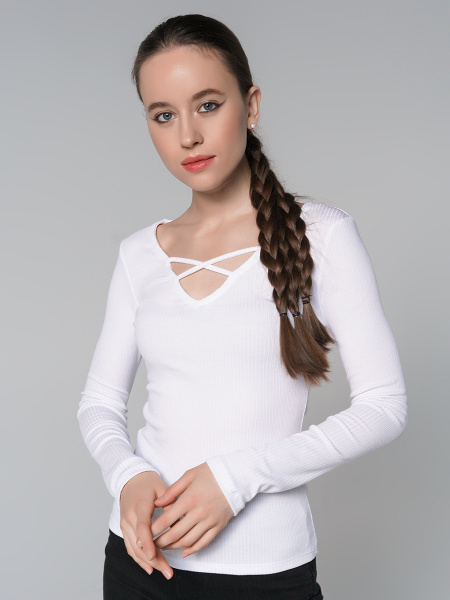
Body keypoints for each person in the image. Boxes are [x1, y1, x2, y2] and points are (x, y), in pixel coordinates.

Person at [77, 13, 407, 600]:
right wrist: (127, 475)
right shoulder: (138, 255)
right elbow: (99, 403)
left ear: (251, 106)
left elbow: (384, 407)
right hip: (138, 564)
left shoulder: (324, 236)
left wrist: (236, 479)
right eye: (163, 115)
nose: (187, 136)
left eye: (207, 105)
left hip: (265, 574)